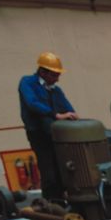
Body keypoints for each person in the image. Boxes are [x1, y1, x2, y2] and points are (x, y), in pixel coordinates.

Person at [18, 52, 77, 202]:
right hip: (39, 134)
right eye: (54, 75)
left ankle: (63, 199)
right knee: (48, 171)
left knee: (61, 169)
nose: (57, 78)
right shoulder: (27, 83)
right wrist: (56, 115)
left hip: (57, 134)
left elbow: (67, 107)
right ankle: (51, 203)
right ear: (42, 72)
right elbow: (32, 104)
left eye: (58, 75)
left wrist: (74, 116)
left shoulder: (55, 90)